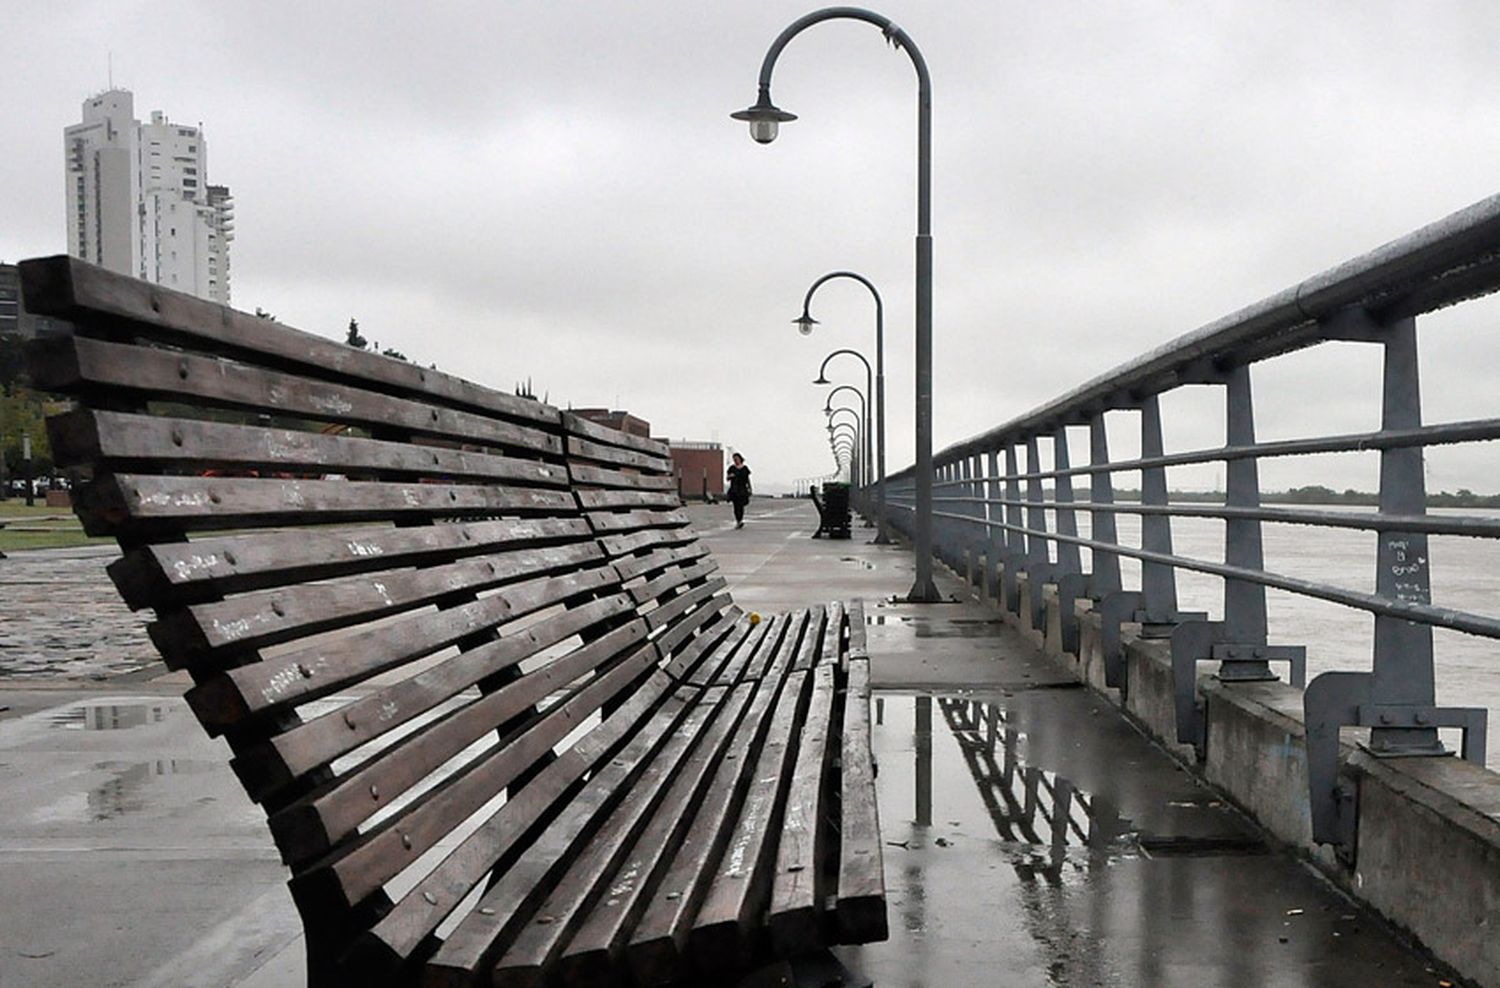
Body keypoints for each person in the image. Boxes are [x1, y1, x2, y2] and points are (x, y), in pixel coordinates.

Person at [726, 453, 752, 528]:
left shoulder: (745, 468)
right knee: (736, 506)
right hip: (734, 489)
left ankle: (740, 519)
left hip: (742, 489)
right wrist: (730, 476)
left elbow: (747, 479)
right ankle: (738, 521)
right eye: (734, 459)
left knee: (741, 505)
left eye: (736, 459)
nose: (735, 460)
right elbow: (727, 478)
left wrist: (750, 488)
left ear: (740, 459)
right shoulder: (732, 468)